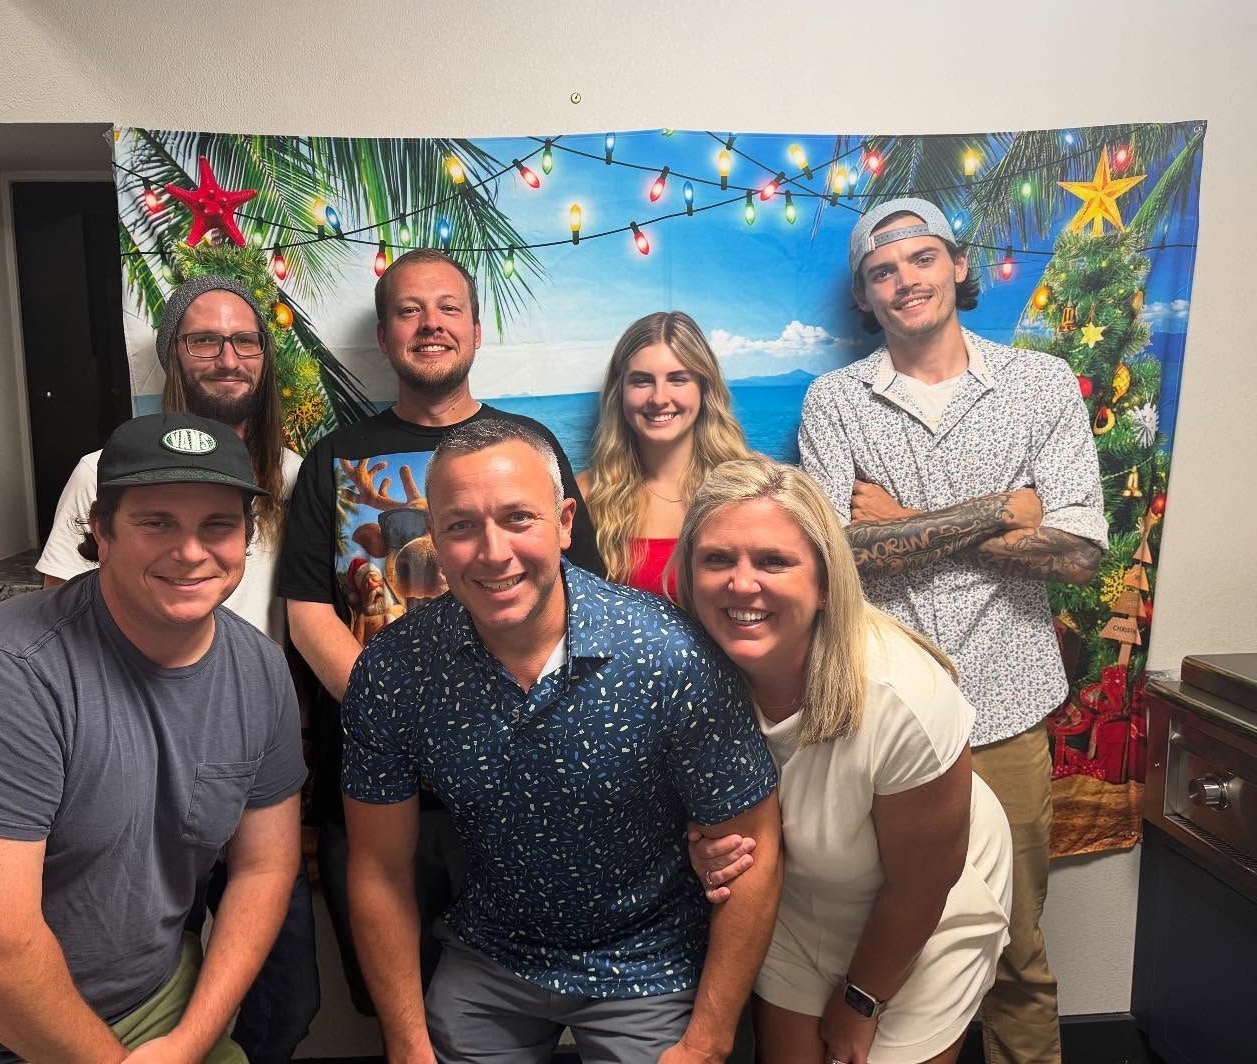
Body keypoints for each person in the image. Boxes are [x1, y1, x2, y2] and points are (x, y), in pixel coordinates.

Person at [0, 413, 305, 1063]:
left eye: (217, 524)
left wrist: (189, 1042)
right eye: (156, 522)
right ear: (100, 530)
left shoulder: (260, 670)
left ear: (246, 535)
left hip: (143, 1006)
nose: (190, 551)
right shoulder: (3, 676)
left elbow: (265, 866)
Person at [342, 417, 783, 1064]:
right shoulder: (396, 671)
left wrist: (708, 1044)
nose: (493, 552)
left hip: (650, 958)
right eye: (462, 525)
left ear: (566, 523)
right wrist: (407, 1047)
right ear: (434, 536)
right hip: (493, 952)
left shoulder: (666, 655)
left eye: (519, 518)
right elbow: (379, 870)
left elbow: (756, 852)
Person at [797, 197, 1107, 1063]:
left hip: (1009, 711)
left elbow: (1081, 555)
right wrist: (1004, 510)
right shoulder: (837, 400)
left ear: (958, 267)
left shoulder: (1040, 383)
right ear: (865, 296)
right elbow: (837, 556)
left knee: (1015, 949)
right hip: (883, 719)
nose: (906, 281)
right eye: (883, 271)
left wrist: (907, 521)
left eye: (921, 259)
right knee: (883, 938)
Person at [278, 248, 605, 1014]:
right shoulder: (335, 459)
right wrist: (399, 724)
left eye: (448, 308)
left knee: (520, 1003)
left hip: (519, 781)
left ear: (477, 330)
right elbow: (307, 613)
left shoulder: (530, 448)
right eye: (409, 310)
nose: (431, 324)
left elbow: (578, 593)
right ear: (388, 337)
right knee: (398, 1004)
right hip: (379, 788)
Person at [35, 274, 317, 1063]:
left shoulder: (295, 479)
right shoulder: (104, 472)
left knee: (283, 995)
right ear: (172, 355)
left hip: (251, 765)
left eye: (245, 340)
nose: (227, 357)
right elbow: (59, 621)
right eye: (204, 339)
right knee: (135, 970)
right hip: (129, 770)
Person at [682, 457, 1013, 1064]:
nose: (741, 583)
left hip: (921, 909)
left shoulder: (901, 697)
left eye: (773, 561)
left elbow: (923, 884)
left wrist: (861, 1002)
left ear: (826, 580)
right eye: (718, 559)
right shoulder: (685, 673)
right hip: (795, 898)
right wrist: (703, 846)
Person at [578, 310, 749, 597]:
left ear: (704, 388)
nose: (659, 398)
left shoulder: (754, 485)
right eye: (642, 381)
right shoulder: (586, 496)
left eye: (678, 379)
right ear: (619, 391)